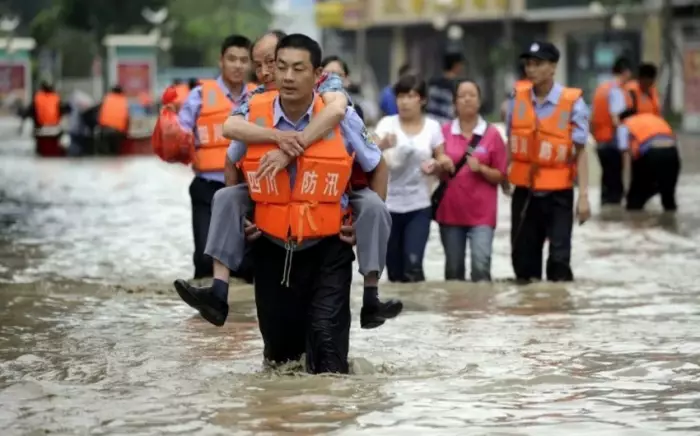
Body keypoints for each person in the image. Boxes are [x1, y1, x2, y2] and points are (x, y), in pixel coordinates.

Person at [173, 31, 401, 330]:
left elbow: (342, 118)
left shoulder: (330, 91)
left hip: (331, 198)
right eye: (265, 65)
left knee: (373, 206)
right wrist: (277, 138)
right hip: (273, 209)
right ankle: (218, 292)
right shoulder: (253, 102)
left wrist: (292, 149)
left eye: (273, 63)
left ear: (310, 71)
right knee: (225, 197)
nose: (268, 72)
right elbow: (231, 137)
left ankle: (371, 295)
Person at [230, 34, 384, 374]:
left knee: (328, 351)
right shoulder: (255, 116)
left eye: (297, 69)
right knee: (280, 359)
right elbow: (232, 160)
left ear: (316, 75)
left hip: (328, 247)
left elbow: (377, 164)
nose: (286, 76)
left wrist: (363, 222)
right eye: (280, 67)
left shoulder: (342, 116)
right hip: (272, 248)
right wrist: (243, 217)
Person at [506, 41, 591, 283]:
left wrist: (583, 197)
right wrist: (504, 176)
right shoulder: (517, 98)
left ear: (553, 67)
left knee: (559, 262)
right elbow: (510, 141)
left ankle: (558, 314)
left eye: (538, 64)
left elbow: (581, 152)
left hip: (559, 194)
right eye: (528, 64)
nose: (531, 69)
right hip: (525, 191)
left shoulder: (573, 103)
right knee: (523, 264)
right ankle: (529, 315)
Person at [177, 34, 253, 279]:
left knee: (247, 262)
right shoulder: (199, 95)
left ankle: (243, 310)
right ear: (221, 61)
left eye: (244, 60)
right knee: (204, 258)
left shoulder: (259, 97)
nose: (238, 65)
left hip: (248, 189)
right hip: (208, 187)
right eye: (232, 59)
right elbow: (179, 133)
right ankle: (202, 304)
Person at [376, 74, 453, 282]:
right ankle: (400, 313)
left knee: (413, 264)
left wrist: (437, 165)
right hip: (389, 205)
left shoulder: (433, 127)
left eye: (410, 96)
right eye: (400, 96)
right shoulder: (387, 124)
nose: (404, 102)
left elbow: (441, 157)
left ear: (422, 100)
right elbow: (369, 150)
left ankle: (418, 311)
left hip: (419, 205)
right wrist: (382, 144)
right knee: (394, 270)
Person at [435, 79, 507, 282]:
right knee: (453, 271)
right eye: (462, 95)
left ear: (479, 101)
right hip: (450, 213)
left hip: (482, 215)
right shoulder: (444, 132)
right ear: (455, 102)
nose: (467, 99)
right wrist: (440, 165)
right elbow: (435, 169)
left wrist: (482, 169)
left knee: (481, 266)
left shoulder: (492, 134)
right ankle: (457, 313)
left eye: (472, 95)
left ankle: (480, 311)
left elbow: (501, 175)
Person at [590, 57, 633, 206]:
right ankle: (615, 223)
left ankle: (606, 222)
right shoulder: (617, 91)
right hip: (612, 143)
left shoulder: (601, 88)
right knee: (615, 188)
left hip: (600, 142)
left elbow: (592, 118)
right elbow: (616, 119)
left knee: (606, 184)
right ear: (625, 72)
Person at [618, 112, 679, 211]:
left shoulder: (625, 125)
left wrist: (626, 184)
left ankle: (634, 223)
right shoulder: (653, 118)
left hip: (651, 153)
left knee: (634, 202)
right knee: (668, 198)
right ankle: (670, 223)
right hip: (672, 153)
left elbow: (625, 153)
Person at [20, 81, 70, 157]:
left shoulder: (37, 98)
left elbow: (29, 112)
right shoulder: (56, 98)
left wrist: (22, 123)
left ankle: (40, 151)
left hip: (40, 130)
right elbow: (64, 111)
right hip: (55, 130)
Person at [425, 53, 465, 125]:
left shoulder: (432, 83)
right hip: (447, 127)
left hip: (430, 125)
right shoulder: (457, 86)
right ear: (456, 65)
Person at [321, 55, 364, 121]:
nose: (333, 78)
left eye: (338, 75)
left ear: (347, 79)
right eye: (327, 74)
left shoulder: (355, 110)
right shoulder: (311, 106)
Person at [97, 85, 129, 155]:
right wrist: (126, 133)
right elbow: (127, 119)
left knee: (106, 153)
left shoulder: (106, 99)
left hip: (105, 130)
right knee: (115, 153)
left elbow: (100, 114)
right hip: (118, 132)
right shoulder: (123, 100)